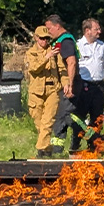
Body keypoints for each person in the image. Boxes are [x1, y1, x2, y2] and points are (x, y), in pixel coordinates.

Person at [74, 18, 104, 152]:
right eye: (96, 29)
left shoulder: (102, 46)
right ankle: (75, 146)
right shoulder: (77, 45)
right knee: (80, 118)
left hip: (99, 87)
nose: (99, 31)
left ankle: (94, 147)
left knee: (97, 118)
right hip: (83, 86)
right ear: (87, 31)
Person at [45, 15, 82, 156]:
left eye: (49, 29)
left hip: (70, 82)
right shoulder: (60, 40)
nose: (48, 32)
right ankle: (56, 150)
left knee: (66, 114)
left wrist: (70, 84)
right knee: (61, 115)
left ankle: (92, 136)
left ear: (57, 26)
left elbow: (71, 63)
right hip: (65, 83)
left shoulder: (65, 41)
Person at [25, 25, 62, 157]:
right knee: (39, 123)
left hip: (52, 89)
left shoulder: (54, 52)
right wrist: (47, 56)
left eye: (47, 39)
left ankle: (40, 150)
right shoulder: (30, 53)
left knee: (48, 121)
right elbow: (34, 68)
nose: (44, 41)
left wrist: (66, 83)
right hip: (36, 92)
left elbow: (62, 69)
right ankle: (47, 148)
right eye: (42, 38)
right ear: (36, 38)